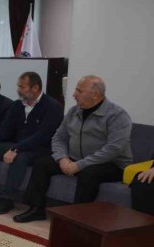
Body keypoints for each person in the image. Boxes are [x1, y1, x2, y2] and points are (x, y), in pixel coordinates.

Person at [14, 75, 133, 223]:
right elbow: (59, 137)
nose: (74, 95)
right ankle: (36, 209)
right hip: (75, 159)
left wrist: (79, 165)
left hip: (111, 164)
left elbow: (114, 148)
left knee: (89, 173)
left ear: (95, 95)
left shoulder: (117, 115)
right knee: (42, 163)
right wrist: (62, 158)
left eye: (79, 91)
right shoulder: (73, 111)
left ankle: (77, 219)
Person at [0, 72, 63, 214]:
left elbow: (43, 136)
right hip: (20, 145)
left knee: (20, 157)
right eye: (18, 86)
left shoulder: (52, 106)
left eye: (22, 87)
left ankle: (7, 199)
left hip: (41, 148)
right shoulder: (17, 105)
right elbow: (5, 129)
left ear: (35, 88)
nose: (18, 90)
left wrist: (16, 149)